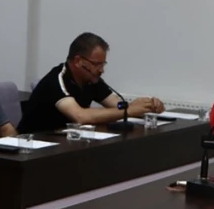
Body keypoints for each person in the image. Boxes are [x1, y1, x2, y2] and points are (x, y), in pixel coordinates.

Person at [19, 32, 164, 133]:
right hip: (34, 146)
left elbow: (118, 105)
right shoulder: (57, 80)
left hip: (65, 143)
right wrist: (129, 110)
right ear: (78, 61)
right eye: (96, 64)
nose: (101, 70)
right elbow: (80, 117)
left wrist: (147, 106)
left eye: (103, 64)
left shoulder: (91, 79)